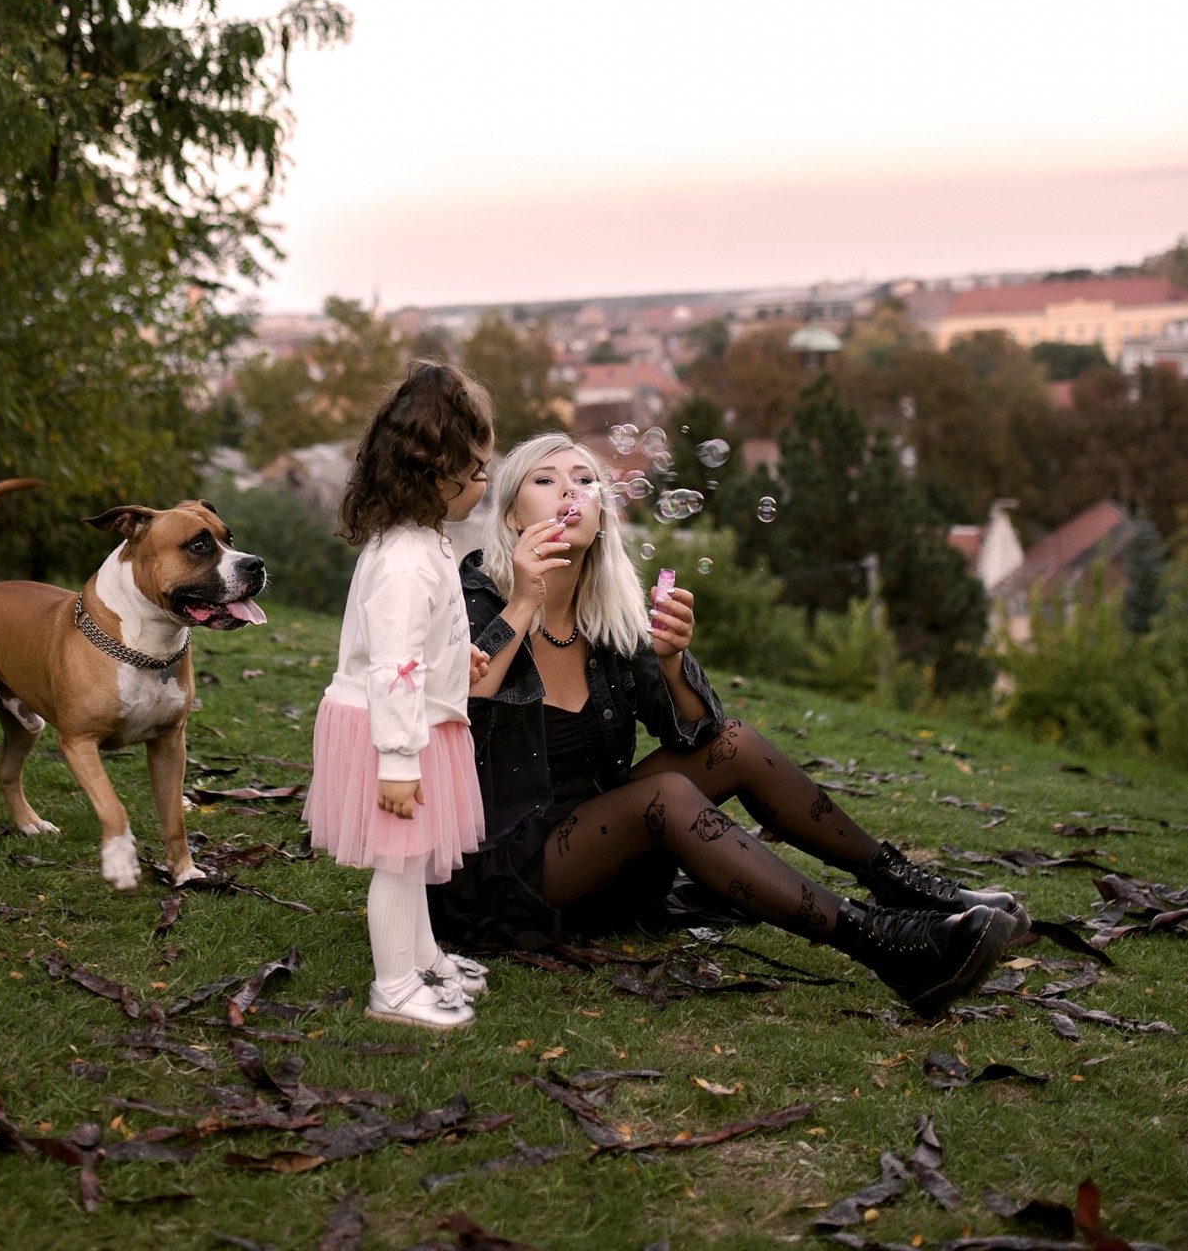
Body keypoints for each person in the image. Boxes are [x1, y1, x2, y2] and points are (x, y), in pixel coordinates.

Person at [429, 432, 1025, 1019]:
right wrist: (525, 601)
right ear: (512, 516)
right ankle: (883, 943)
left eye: (585, 480)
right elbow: (458, 705)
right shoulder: (472, 600)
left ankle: (906, 888)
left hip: (600, 840)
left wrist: (671, 663)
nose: (571, 491)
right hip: (504, 867)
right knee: (664, 795)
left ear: (603, 516)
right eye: (546, 479)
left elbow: (698, 735)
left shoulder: (609, 616)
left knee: (735, 743)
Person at [303, 362, 496, 1030]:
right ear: (436, 476)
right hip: (390, 731)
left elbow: (418, 640)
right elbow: (391, 667)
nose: (484, 484)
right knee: (399, 861)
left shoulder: (422, 541)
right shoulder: (406, 560)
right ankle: (394, 986)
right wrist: (397, 762)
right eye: (477, 472)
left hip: (413, 721)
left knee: (412, 858)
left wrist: (455, 657)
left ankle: (424, 958)